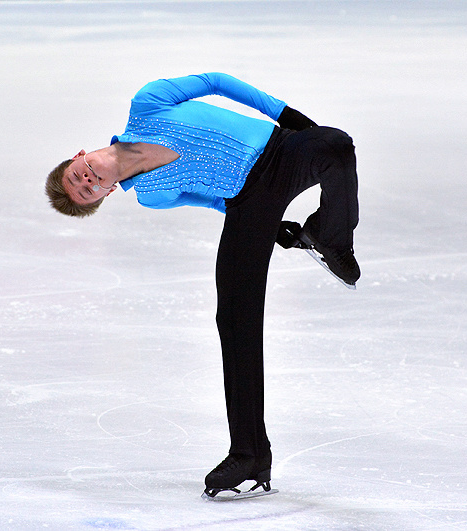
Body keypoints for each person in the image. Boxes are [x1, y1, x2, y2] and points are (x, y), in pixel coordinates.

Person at [45, 72, 360, 497]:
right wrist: (272, 227)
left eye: (78, 175)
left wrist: (289, 118)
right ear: (105, 195)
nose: (86, 182)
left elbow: (217, 81)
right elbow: (215, 200)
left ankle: (331, 238)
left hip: (280, 150)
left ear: (80, 155)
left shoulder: (148, 104)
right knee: (234, 320)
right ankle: (249, 454)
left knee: (336, 144)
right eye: (88, 191)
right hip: (248, 202)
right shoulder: (151, 193)